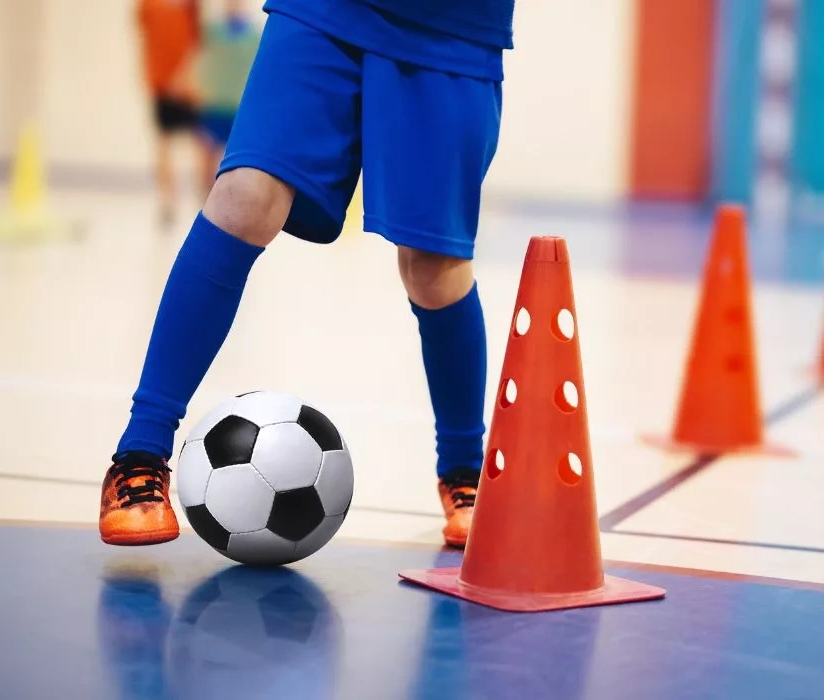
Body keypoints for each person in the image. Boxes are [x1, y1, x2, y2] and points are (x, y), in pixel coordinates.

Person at [99, 0, 514, 549]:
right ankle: (139, 454)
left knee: (435, 267)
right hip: (324, 11)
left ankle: (463, 473)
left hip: (454, 28)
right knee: (245, 198)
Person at [136, 0, 203, 227]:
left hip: (187, 85)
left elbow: (198, 42)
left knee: (201, 144)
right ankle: (168, 202)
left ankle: (204, 200)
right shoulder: (149, 5)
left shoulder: (190, 6)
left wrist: (185, 75)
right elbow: (146, 34)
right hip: (162, 84)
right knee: (164, 143)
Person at [194, 0, 261, 197]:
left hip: (239, 107)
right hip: (214, 105)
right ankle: (205, 199)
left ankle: (233, 198)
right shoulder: (213, 33)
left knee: (237, 160)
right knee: (207, 155)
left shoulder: (254, 37)